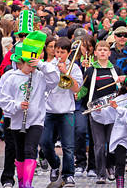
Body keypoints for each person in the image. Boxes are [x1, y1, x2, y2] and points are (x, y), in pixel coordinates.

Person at [0, 31, 59, 188]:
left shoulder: (40, 75)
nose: (31, 66)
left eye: (32, 63)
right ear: (19, 62)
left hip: (36, 120)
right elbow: (0, 98)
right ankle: (22, 182)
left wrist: (41, 64)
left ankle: (28, 184)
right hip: (16, 120)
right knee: (20, 153)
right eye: (28, 63)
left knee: (30, 150)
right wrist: (17, 105)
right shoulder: (11, 77)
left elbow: (55, 78)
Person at [40, 38, 82, 187]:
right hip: (49, 110)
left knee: (68, 146)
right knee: (44, 142)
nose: (59, 55)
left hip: (66, 111)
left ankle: (68, 174)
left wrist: (66, 73)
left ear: (69, 52)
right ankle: (55, 164)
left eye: (62, 52)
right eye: (57, 51)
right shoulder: (48, 66)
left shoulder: (74, 68)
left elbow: (77, 89)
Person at [82, 40, 121, 184]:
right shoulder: (91, 70)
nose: (103, 52)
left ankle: (110, 167)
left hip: (113, 111)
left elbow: (122, 90)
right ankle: (100, 173)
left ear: (109, 53)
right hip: (96, 112)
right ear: (96, 53)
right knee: (98, 145)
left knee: (112, 143)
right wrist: (77, 95)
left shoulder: (116, 69)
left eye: (105, 49)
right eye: (100, 50)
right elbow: (84, 89)